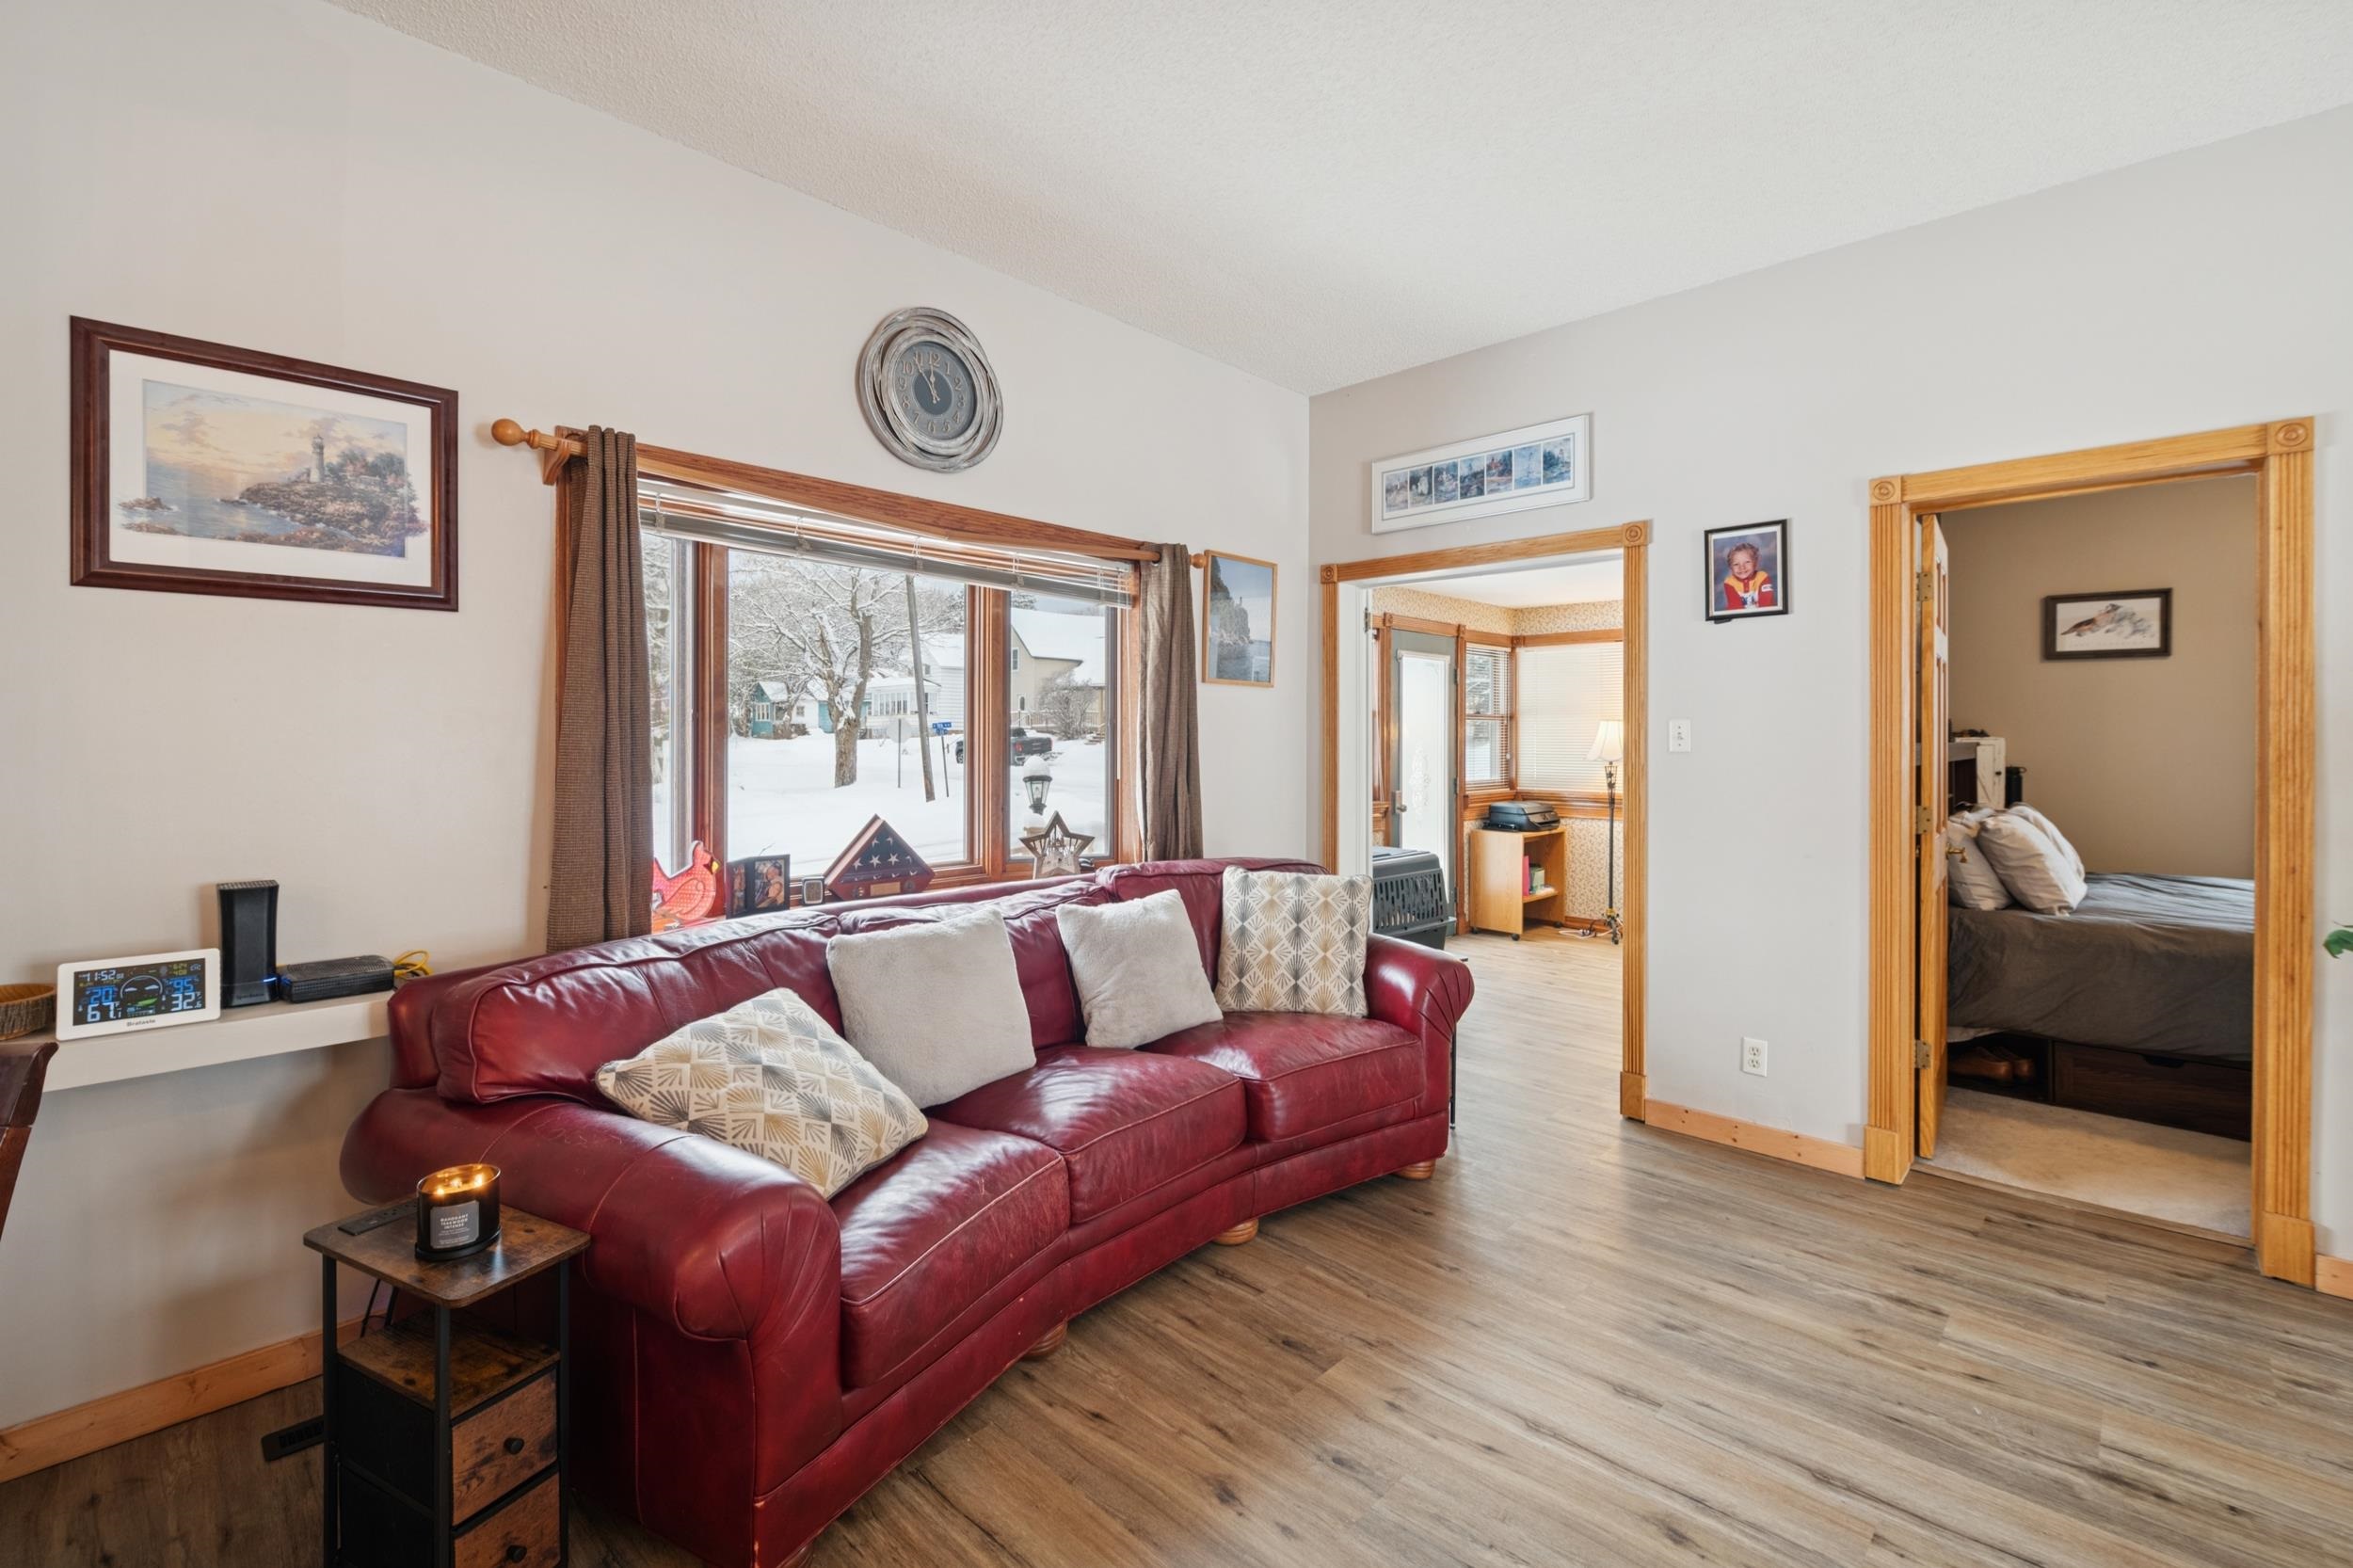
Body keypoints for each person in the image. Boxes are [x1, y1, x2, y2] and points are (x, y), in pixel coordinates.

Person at [1721, 541, 1775, 612]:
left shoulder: (1762, 577)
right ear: (1731, 567)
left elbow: (1767, 604)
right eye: (1736, 564)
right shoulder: (1729, 582)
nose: (1742, 567)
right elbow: (1735, 607)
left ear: (1755, 563)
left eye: (1747, 562)